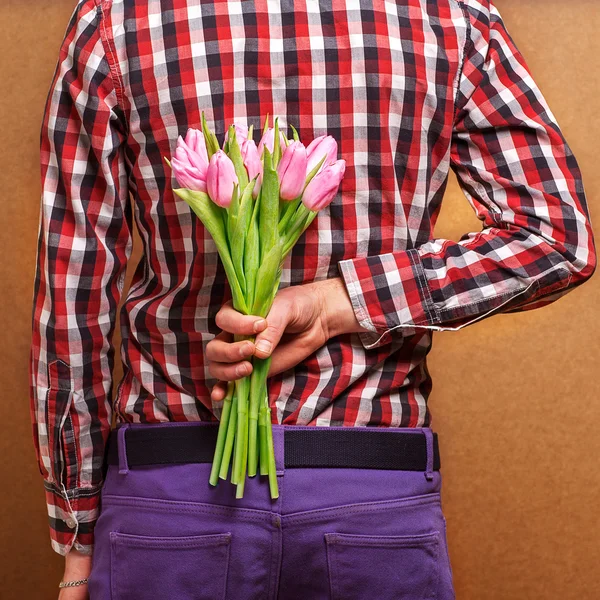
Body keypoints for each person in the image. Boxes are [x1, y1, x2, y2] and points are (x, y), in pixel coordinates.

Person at [29, 0, 595, 598]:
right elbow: (554, 238)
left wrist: (77, 542)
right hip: (372, 499)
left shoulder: (116, 21)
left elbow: (72, 303)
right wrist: (344, 301)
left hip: (171, 501)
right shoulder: (451, 17)